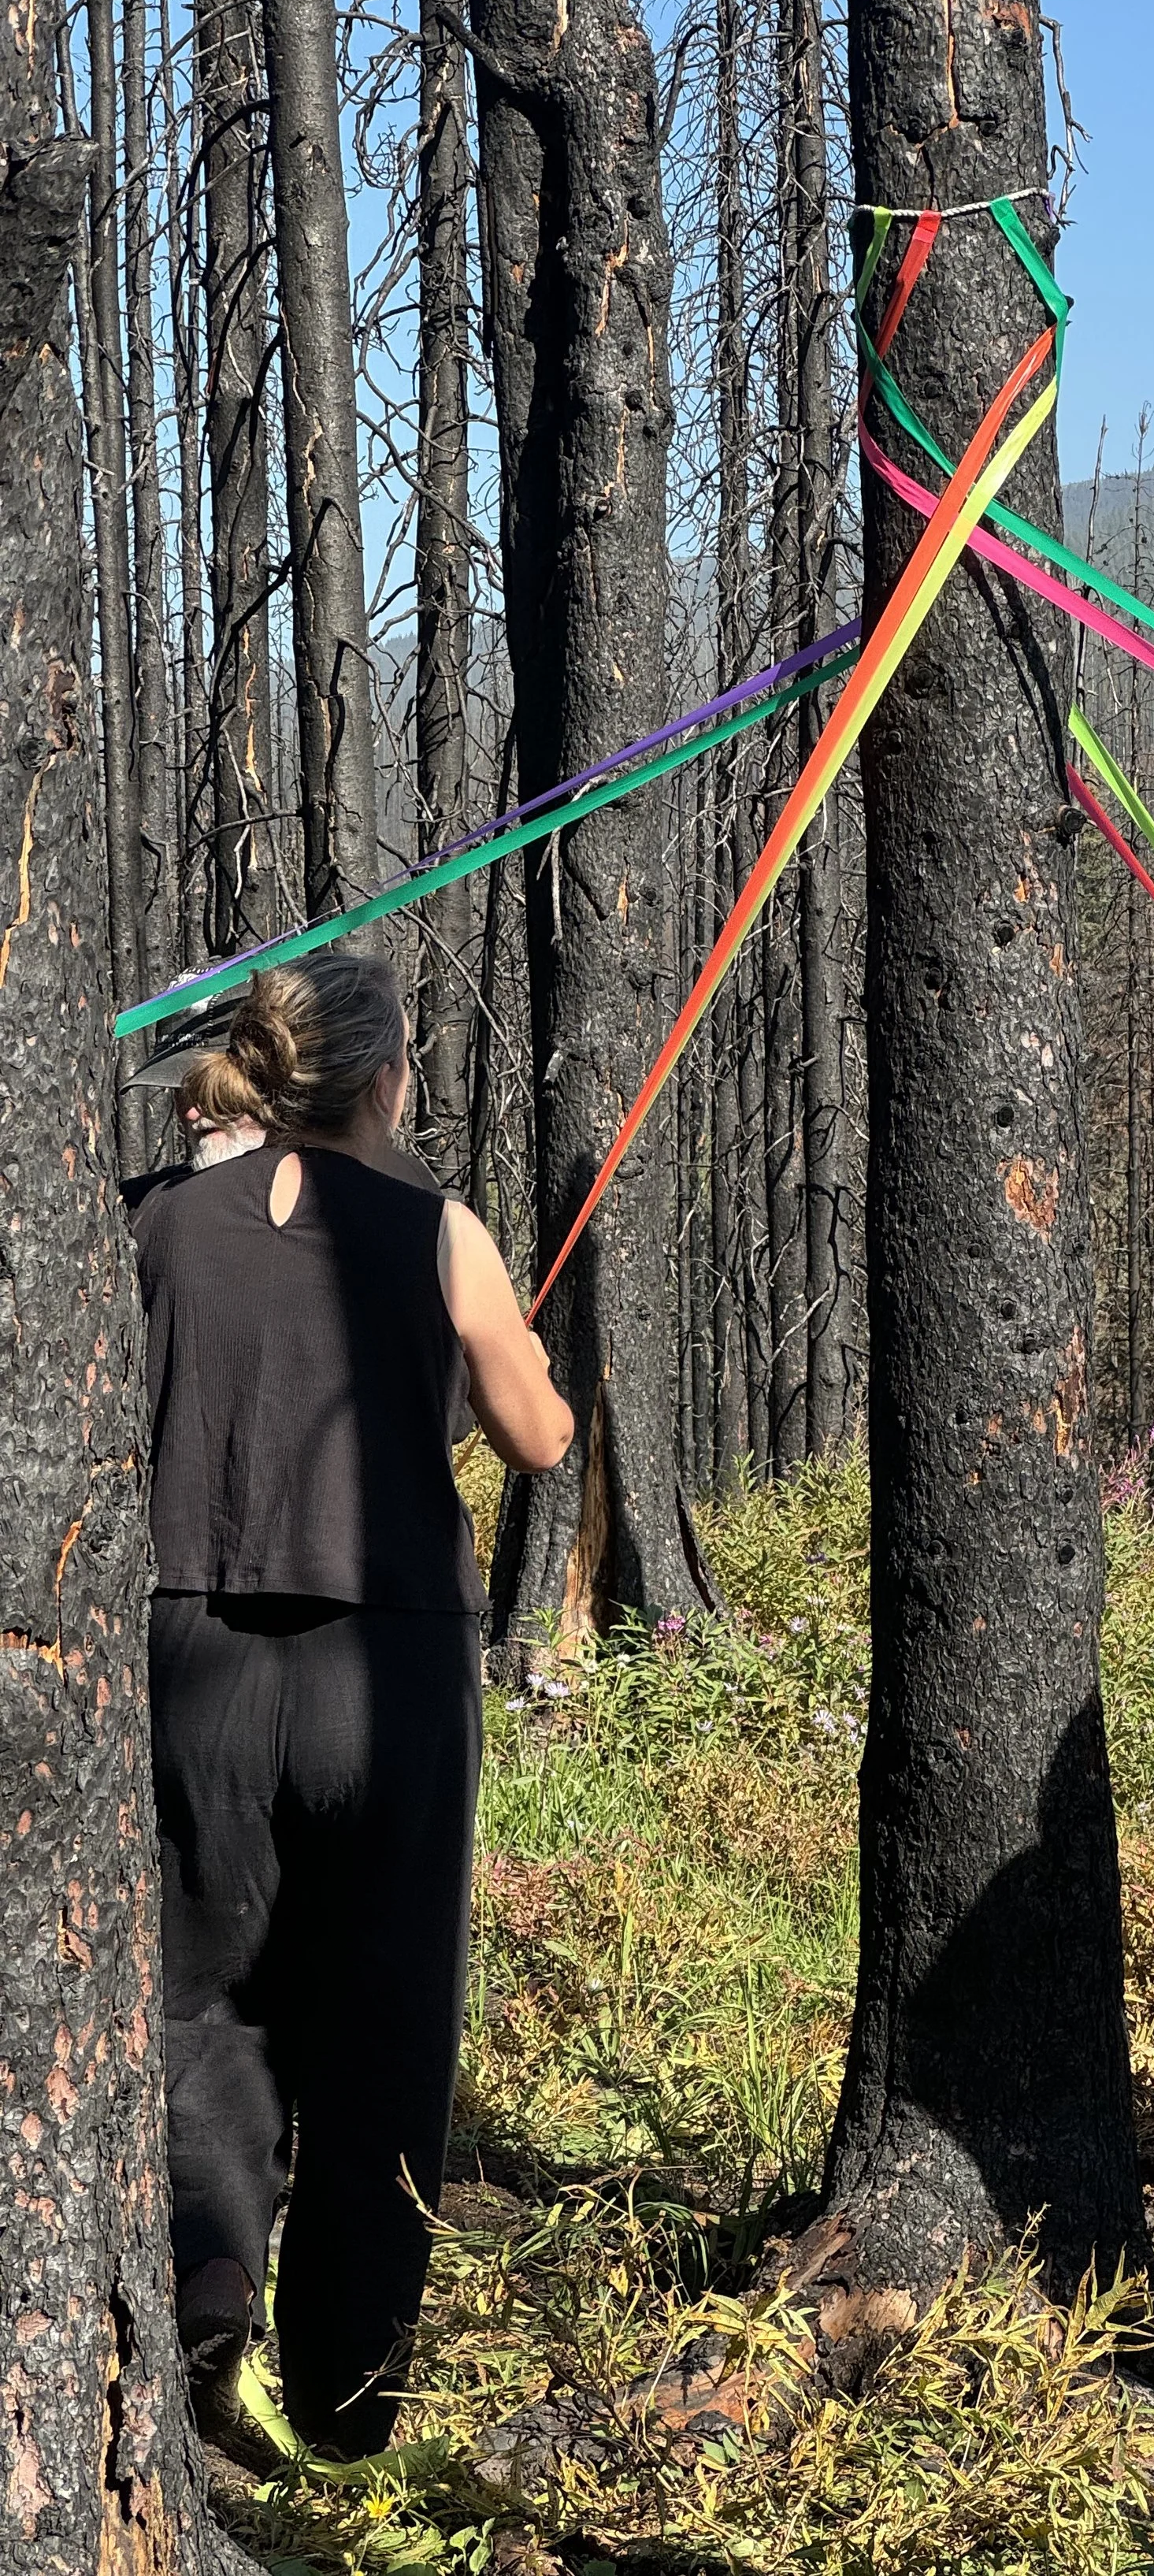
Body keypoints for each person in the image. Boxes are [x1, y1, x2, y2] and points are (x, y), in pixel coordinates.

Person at [128, 956, 574, 2457]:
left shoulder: (157, 1226)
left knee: (209, 2001)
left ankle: (199, 2314)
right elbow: (538, 1437)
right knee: (385, 2021)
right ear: (386, 1077)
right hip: (383, 1680)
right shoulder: (438, 1228)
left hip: (193, 1660)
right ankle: (346, 2388)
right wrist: (494, 1331)